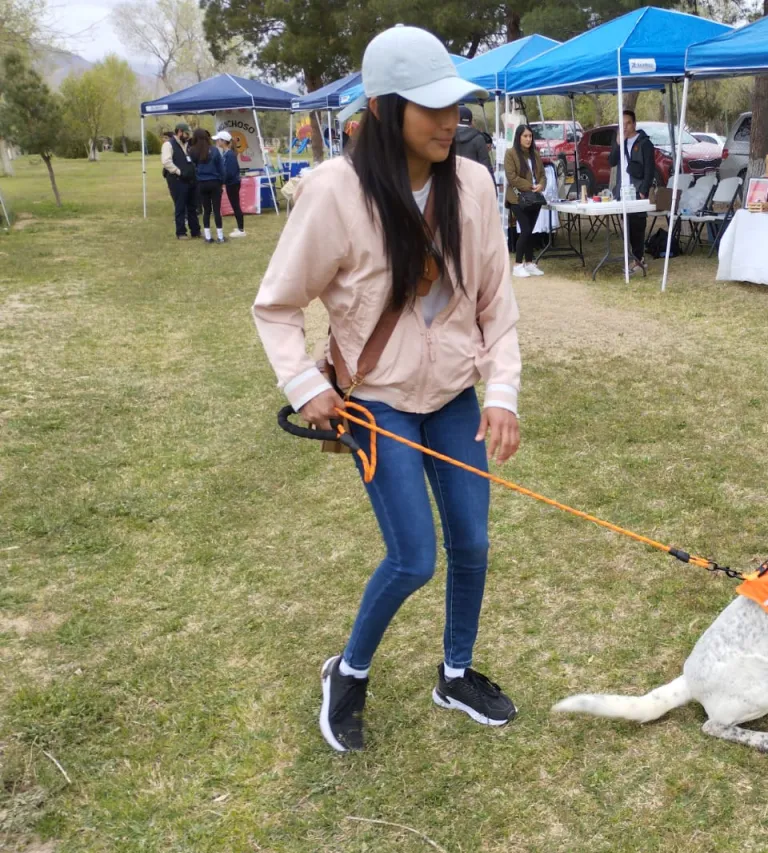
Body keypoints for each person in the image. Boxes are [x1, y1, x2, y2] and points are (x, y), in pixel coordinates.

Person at [253, 23, 521, 753]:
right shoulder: (335, 193)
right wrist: (306, 382)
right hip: (377, 402)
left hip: (454, 399)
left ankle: (455, 672)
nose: (449, 120)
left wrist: (502, 393)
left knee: (472, 543)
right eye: (429, 106)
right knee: (413, 557)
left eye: (455, 105)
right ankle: (348, 671)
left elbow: (497, 303)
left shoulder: (473, 184)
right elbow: (276, 305)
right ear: (381, 107)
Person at [608, 110, 656, 274]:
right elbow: (612, 161)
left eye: (628, 123)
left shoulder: (644, 143)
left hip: (637, 190)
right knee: (627, 225)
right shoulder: (620, 141)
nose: (625, 127)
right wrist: (618, 143)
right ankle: (634, 257)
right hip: (623, 190)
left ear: (634, 124)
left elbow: (650, 169)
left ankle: (639, 259)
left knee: (638, 225)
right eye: (622, 124)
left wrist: (644, 190)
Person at [503, 123, 545, 278]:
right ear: (518, 137)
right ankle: (517, 264)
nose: (528, 139)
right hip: (517, 198)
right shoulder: (511, 153)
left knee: (530, 231)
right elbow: (511, 176)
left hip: (534, 197)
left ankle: (529, 263)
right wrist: (529, 186)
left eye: (530, 136)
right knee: (526, 229)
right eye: (525, 136)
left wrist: (541, 185)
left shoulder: (535, 153)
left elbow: (542, 175)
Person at [160, 123, 200, 239]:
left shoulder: (187, 144)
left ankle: (195, 231)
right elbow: (166, 162)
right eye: (186, 133)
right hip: (177, 180)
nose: (188, 136)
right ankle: (181, 232)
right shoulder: (168, 145)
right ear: (179, 132)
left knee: (193, 206)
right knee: (180, 206)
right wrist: (179, 172)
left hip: (191, 179)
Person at [190, 128, 225, 243]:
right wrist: (222, 181)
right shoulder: (214, 150)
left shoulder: (193, 151)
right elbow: (221, 168)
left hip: (202, 183)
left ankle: (208, 236)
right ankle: (220, 236)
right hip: (214, 182)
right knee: (216, 210)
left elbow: (193, 167)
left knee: (206, 210)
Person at [214, 130, 246, 238]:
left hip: (232, 183)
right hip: (231, 183)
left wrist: (222, 181)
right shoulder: (226, 153)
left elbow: (230, 172)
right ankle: (240, 228)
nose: (217, 142)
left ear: (223, 141)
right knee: (235, 205)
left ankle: (241, 230)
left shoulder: (230, 155)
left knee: (236, 205)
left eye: (218, 140)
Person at [455, 105, 492, 170]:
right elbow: (485, 165)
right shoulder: (478, 138)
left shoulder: (447, 137)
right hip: (473, 178)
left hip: (451, 178)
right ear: (471, 121)